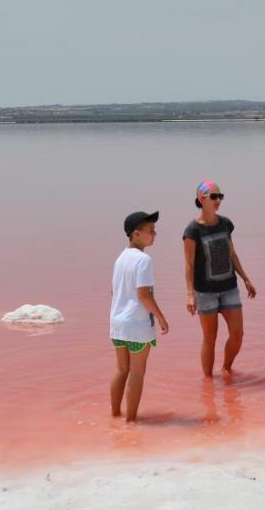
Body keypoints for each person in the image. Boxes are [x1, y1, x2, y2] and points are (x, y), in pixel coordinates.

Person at [183, 181, 256, 376]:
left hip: (229, 288)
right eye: (213, 197)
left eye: (220, 197)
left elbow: (232, 254)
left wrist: (246, 279)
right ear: (201, 199)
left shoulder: (225, 223)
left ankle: (226, 368)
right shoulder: (192, 230)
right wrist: (190, 294)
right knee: (210, 338)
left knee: (238, 334)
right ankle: (208, 383)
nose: (218, 201)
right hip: (205, 292)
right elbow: (189, 264)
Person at [110, 210, 170, 422]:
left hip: (117, 324)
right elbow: (143, 294)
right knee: (137, 371)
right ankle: (131, 421)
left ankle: (115, 415)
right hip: (136, 324)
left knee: (120, 369)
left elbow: (114, 292)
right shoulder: (144, 260)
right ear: (136, 234)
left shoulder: (120, 258)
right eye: (150, 231)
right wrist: (161, 317)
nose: (155, 234)